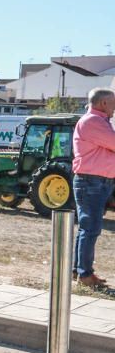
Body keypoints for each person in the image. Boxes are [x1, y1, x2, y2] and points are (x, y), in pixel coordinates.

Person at [72, 88, 115, 288]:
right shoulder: (94, 122)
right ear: (103, 104)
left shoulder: (98, 122)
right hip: (92, 182)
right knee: (90, 229)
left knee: (87, 229)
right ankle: (85, 275)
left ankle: (80, 271)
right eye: (113, 103)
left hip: (96, 182)